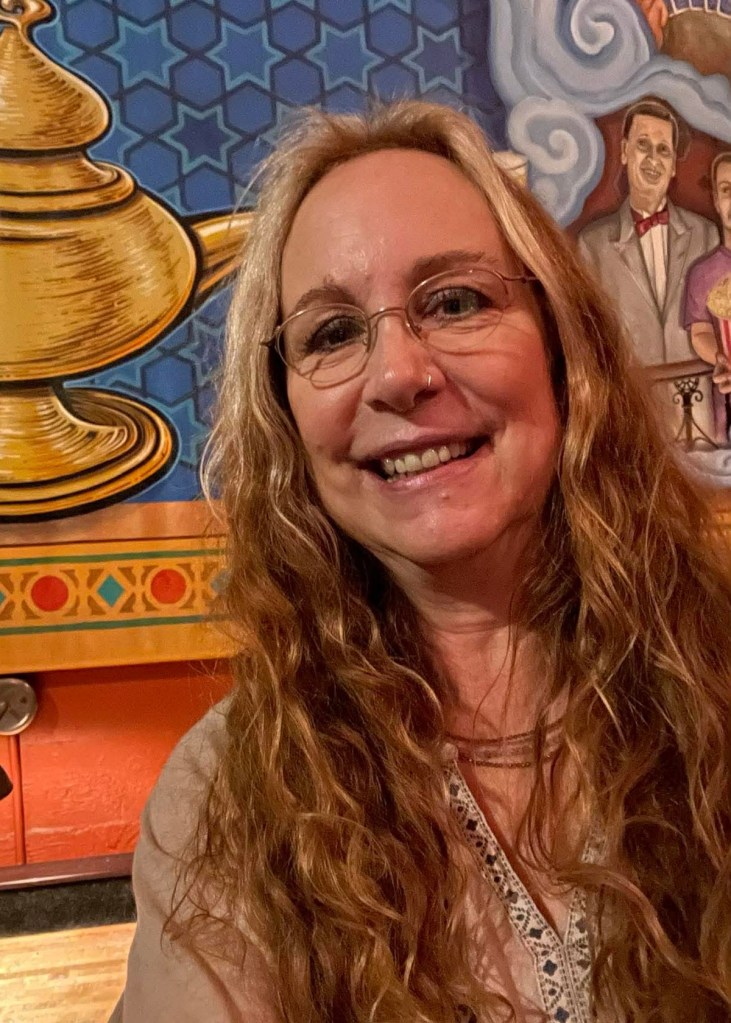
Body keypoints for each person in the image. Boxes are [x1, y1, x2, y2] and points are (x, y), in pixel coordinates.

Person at [111, 101, 731, 1022]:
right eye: (331, 333)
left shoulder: (713, 677)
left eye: (455, 301)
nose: (399, 374)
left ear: (565, 349)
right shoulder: (227, 798)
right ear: (284, 419)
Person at [577, 98, 718, 370]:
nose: (653, 159)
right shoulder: (592, 246)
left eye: (663, 150)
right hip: (634, 394)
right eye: (643, 145)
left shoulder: (706, 236)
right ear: (624, 151)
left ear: (673, 165)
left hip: (696, 393)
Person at [684, 151, 731, 440]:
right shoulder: (702, 274)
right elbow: (700, 332)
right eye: (727, 190)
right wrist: (720, 358)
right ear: (715, 199)